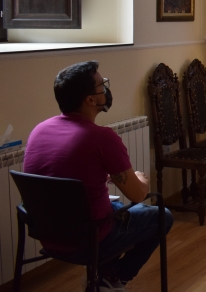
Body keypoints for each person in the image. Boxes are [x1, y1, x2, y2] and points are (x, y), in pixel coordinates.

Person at [24, 61, 174, 291]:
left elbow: (59, 178)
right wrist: (140, 177)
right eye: (101, 86)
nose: (105, 89)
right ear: (90, 100)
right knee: (162, 215)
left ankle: (107, 275)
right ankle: (112, 280)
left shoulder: (39, 130)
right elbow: (138, 193)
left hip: (48, 235)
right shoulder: (102, 138)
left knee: (115, 208)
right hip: (89, 239)